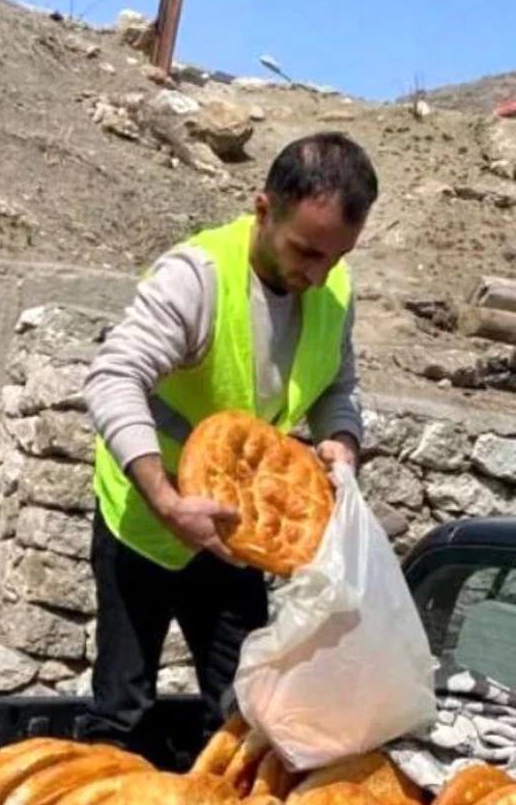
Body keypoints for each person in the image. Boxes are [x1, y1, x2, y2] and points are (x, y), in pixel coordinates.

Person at [81, 131, 379, 757]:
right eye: (305, 252)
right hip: (146, 521)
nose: (317, 273)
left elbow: (337, 388)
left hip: (235, 537)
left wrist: (341, 444)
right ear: (263, 208)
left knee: (245, 710)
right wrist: (166, 499)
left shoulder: (334, 288)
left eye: (334, 256)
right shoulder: (198, 278)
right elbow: (114, 378)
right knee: (124, 710)